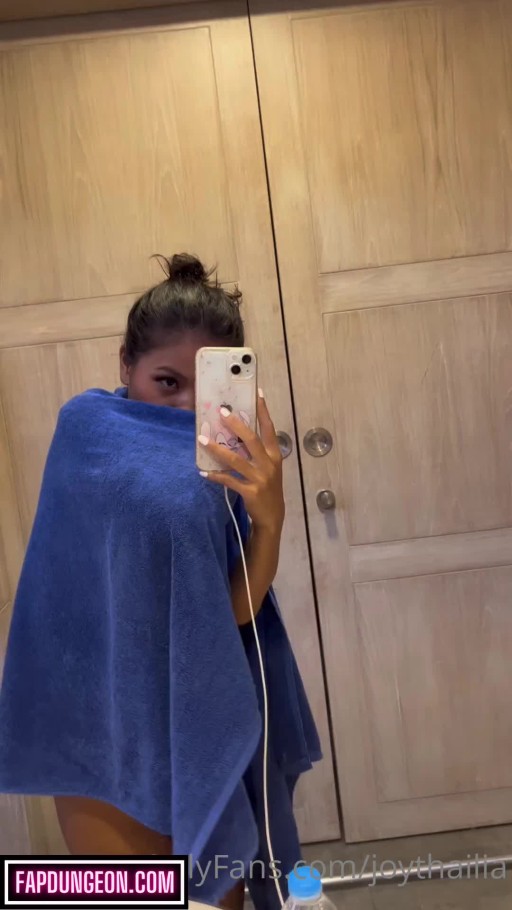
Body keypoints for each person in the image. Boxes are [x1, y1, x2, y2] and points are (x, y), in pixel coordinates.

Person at [0, 254, 320, 910]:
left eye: (205, 389)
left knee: (209, 896)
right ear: (126, 365)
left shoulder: (227, 460)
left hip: (198, 706)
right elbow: (66, 583)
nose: (184, 405)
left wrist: (270, 518)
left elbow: (232, 610)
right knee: (131, 900)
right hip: (101, 716)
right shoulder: (85, 429)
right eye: (166, 381)